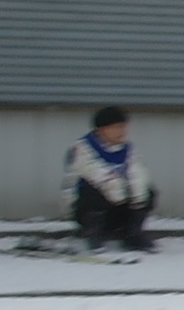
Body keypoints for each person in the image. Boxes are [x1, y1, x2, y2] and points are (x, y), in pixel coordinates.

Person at [64, 105, 155, 252]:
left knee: (147, 190)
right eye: (117, 127)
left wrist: (138, 195)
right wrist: (119, 190)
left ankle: (132, 234)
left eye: (124, 127)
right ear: (101, 129)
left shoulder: (128, 149)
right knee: (93, 189)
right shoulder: (81, 148)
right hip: (86, 209)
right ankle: (93, 235)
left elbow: (138, 172)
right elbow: (95, 173)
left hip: (119, 205)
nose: (122, 132)